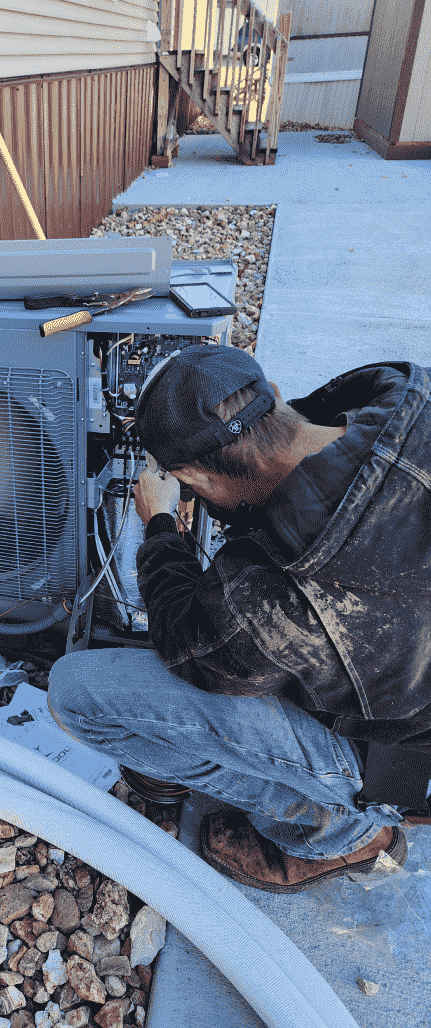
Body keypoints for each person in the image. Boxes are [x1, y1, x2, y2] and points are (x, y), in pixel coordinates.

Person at [49, 345, 431, 893]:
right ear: (273, 395)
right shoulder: (403, 390)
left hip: (408, 759)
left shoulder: (275, 593)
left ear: (196, 484)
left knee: (77, 693)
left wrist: (159, 523)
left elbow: (191, 648)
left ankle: (340, 833)